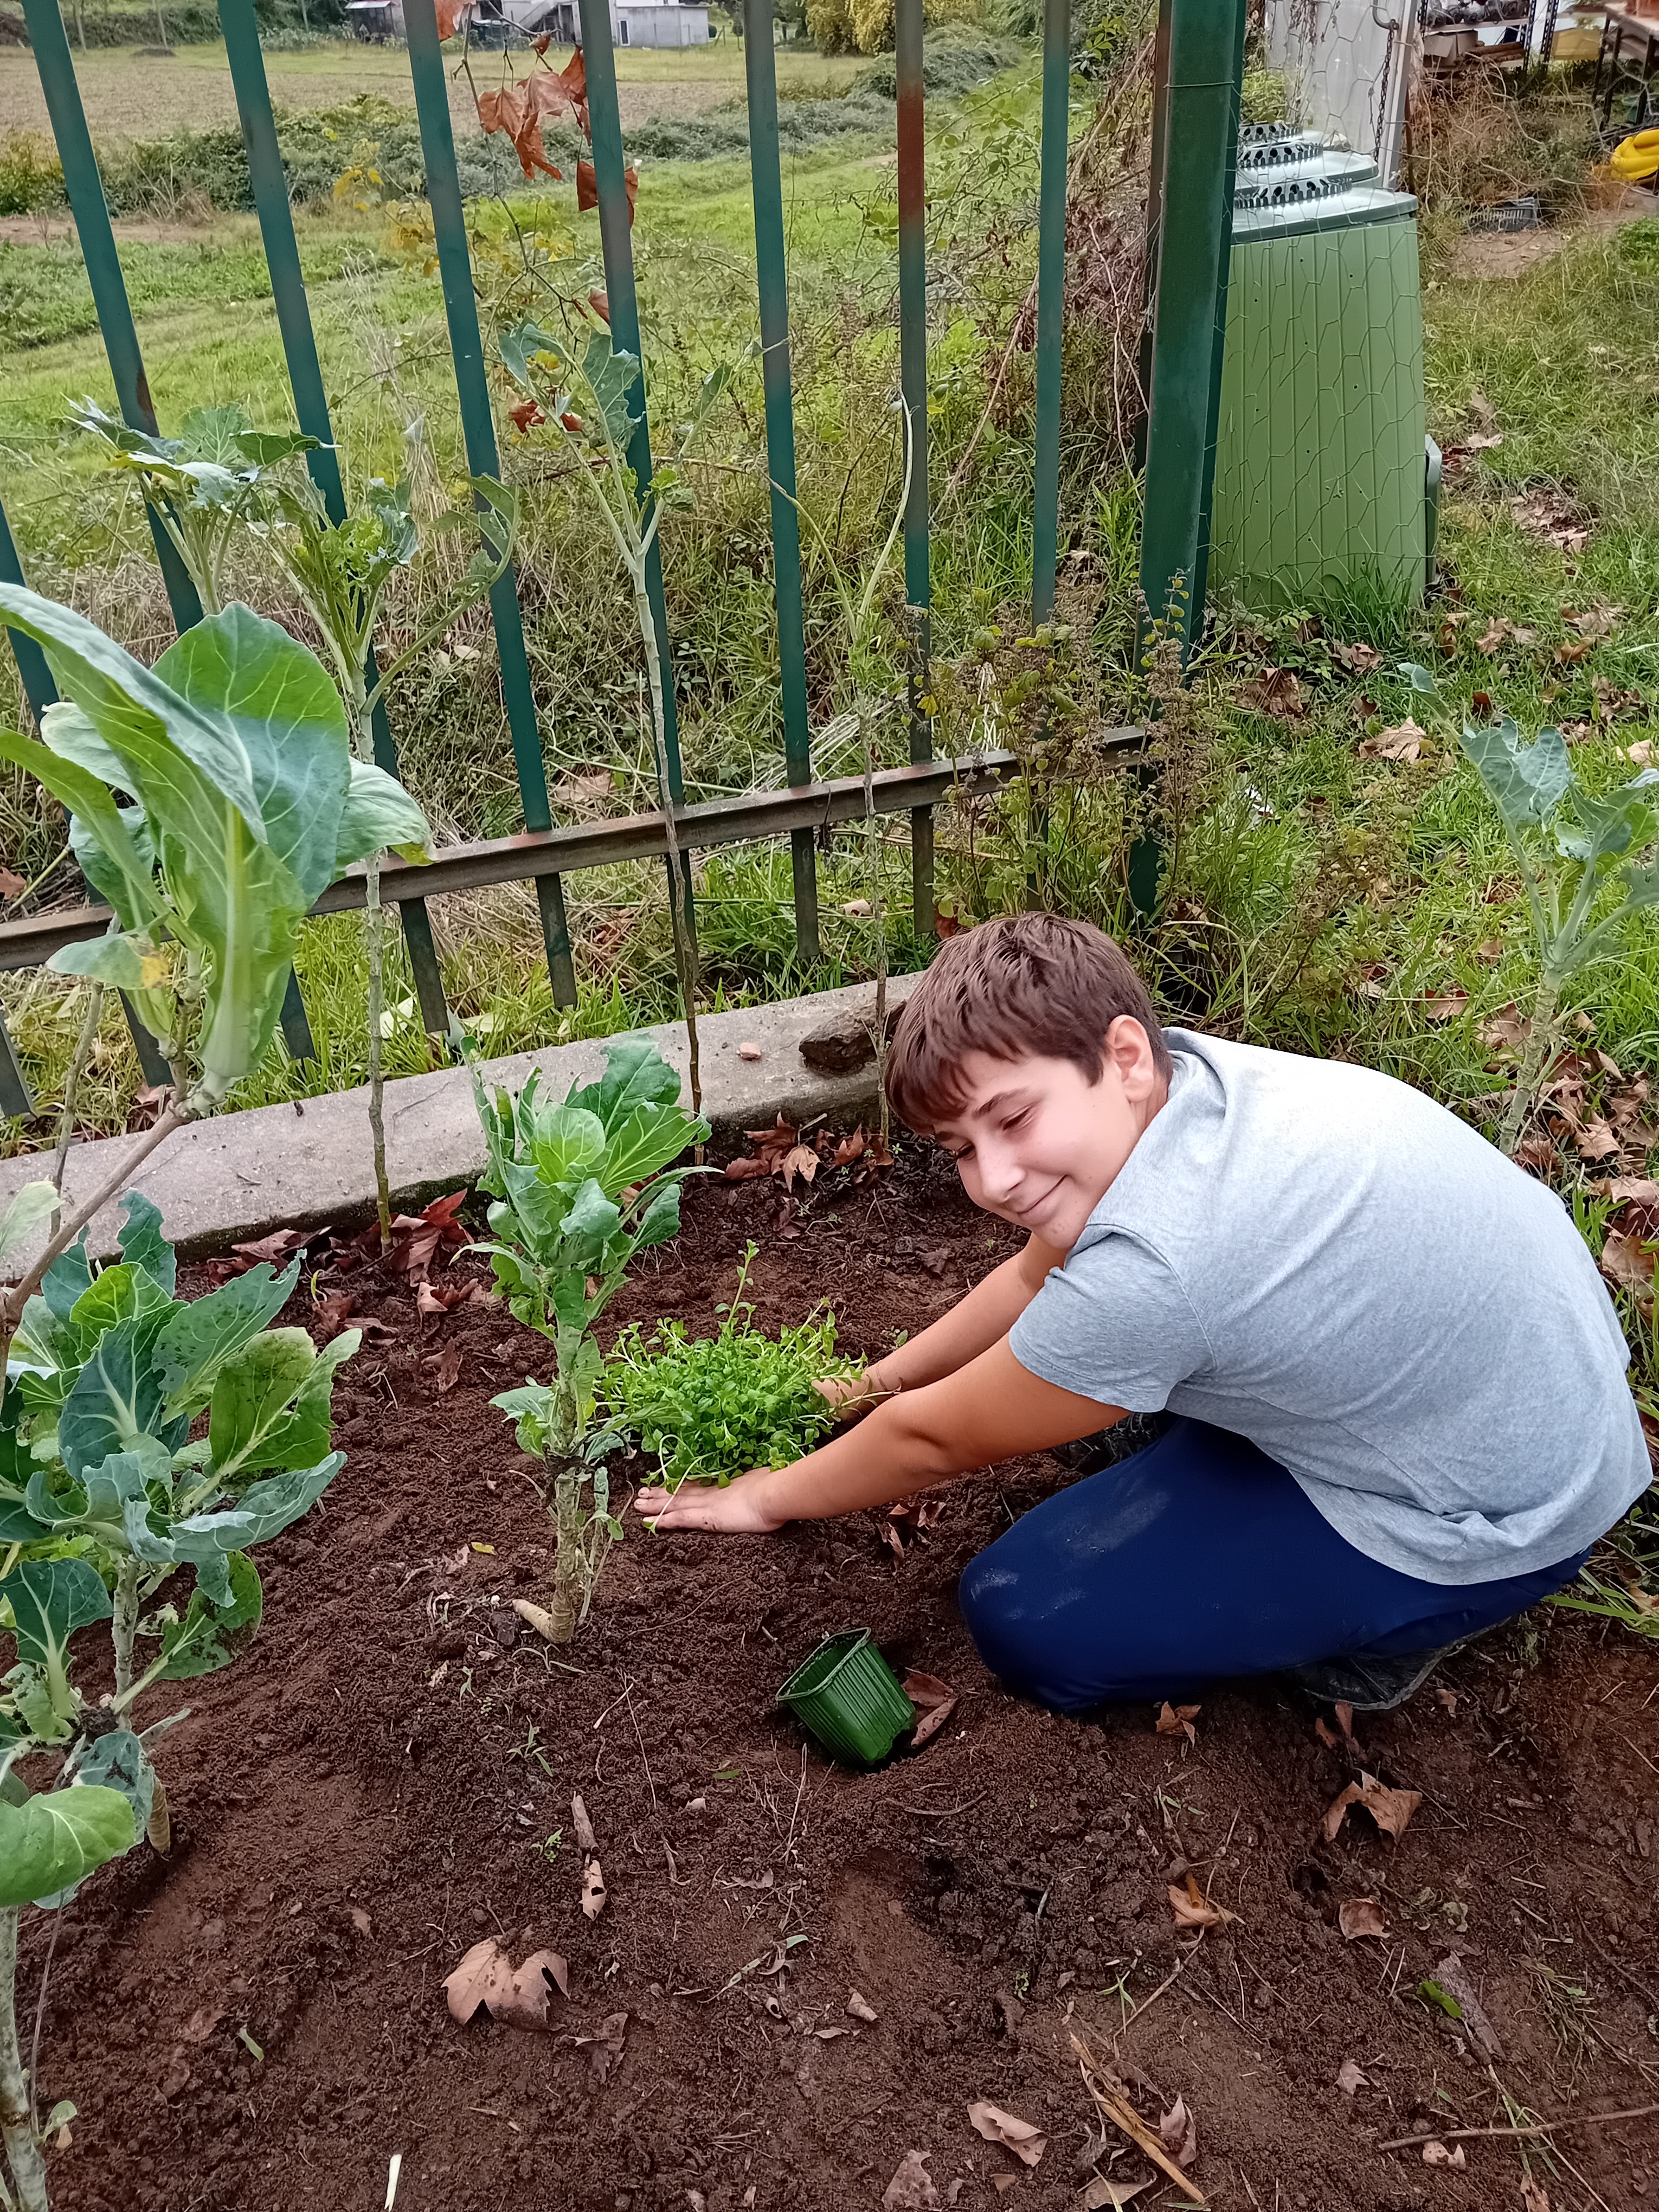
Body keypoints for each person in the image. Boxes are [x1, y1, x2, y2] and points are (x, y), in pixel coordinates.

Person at [636, 914, 1649, 1714]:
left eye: (1013, 1118)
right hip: (1499, 1397)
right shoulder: (1185, 1082)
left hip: (1497, 1512)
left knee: (1028, 1618)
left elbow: (937, 1440)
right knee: (1099, 1385)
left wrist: (766, 1496)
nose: (990, 1177)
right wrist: (874, 1381)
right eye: (957, 1148)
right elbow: (1038, 1279)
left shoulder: (1165, 1264)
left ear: (1120, 1054)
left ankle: (1392, 1636)